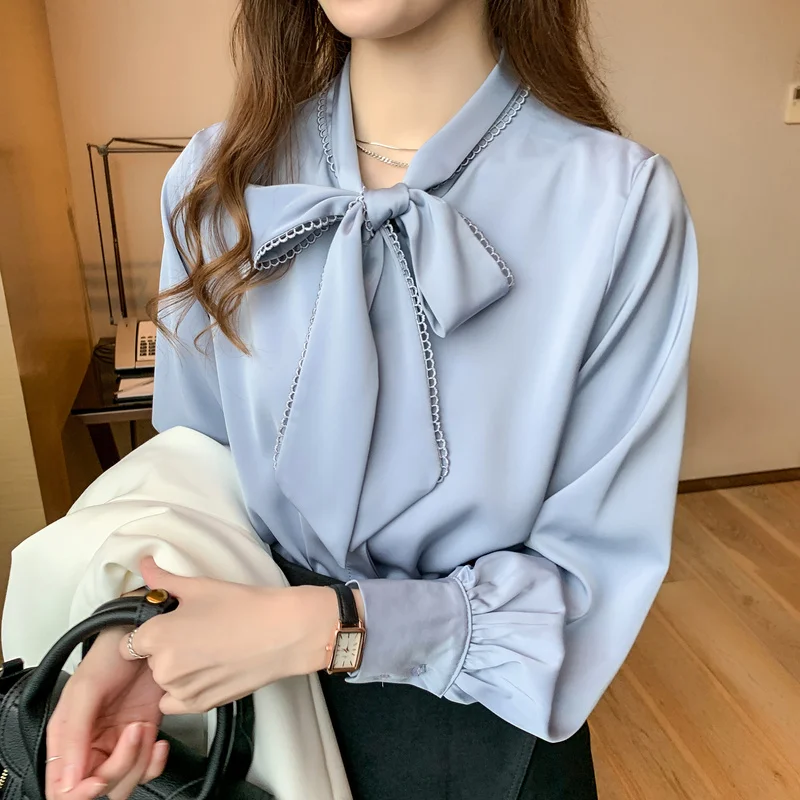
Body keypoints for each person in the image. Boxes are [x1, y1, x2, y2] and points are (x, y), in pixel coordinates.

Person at [45, 0, 698, 798]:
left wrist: (330, 626)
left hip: (484, 731)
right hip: (244, 722)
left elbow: (591, 577)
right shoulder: (214, 180)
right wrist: (135, 632)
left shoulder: (619, 202)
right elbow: (192, 484)